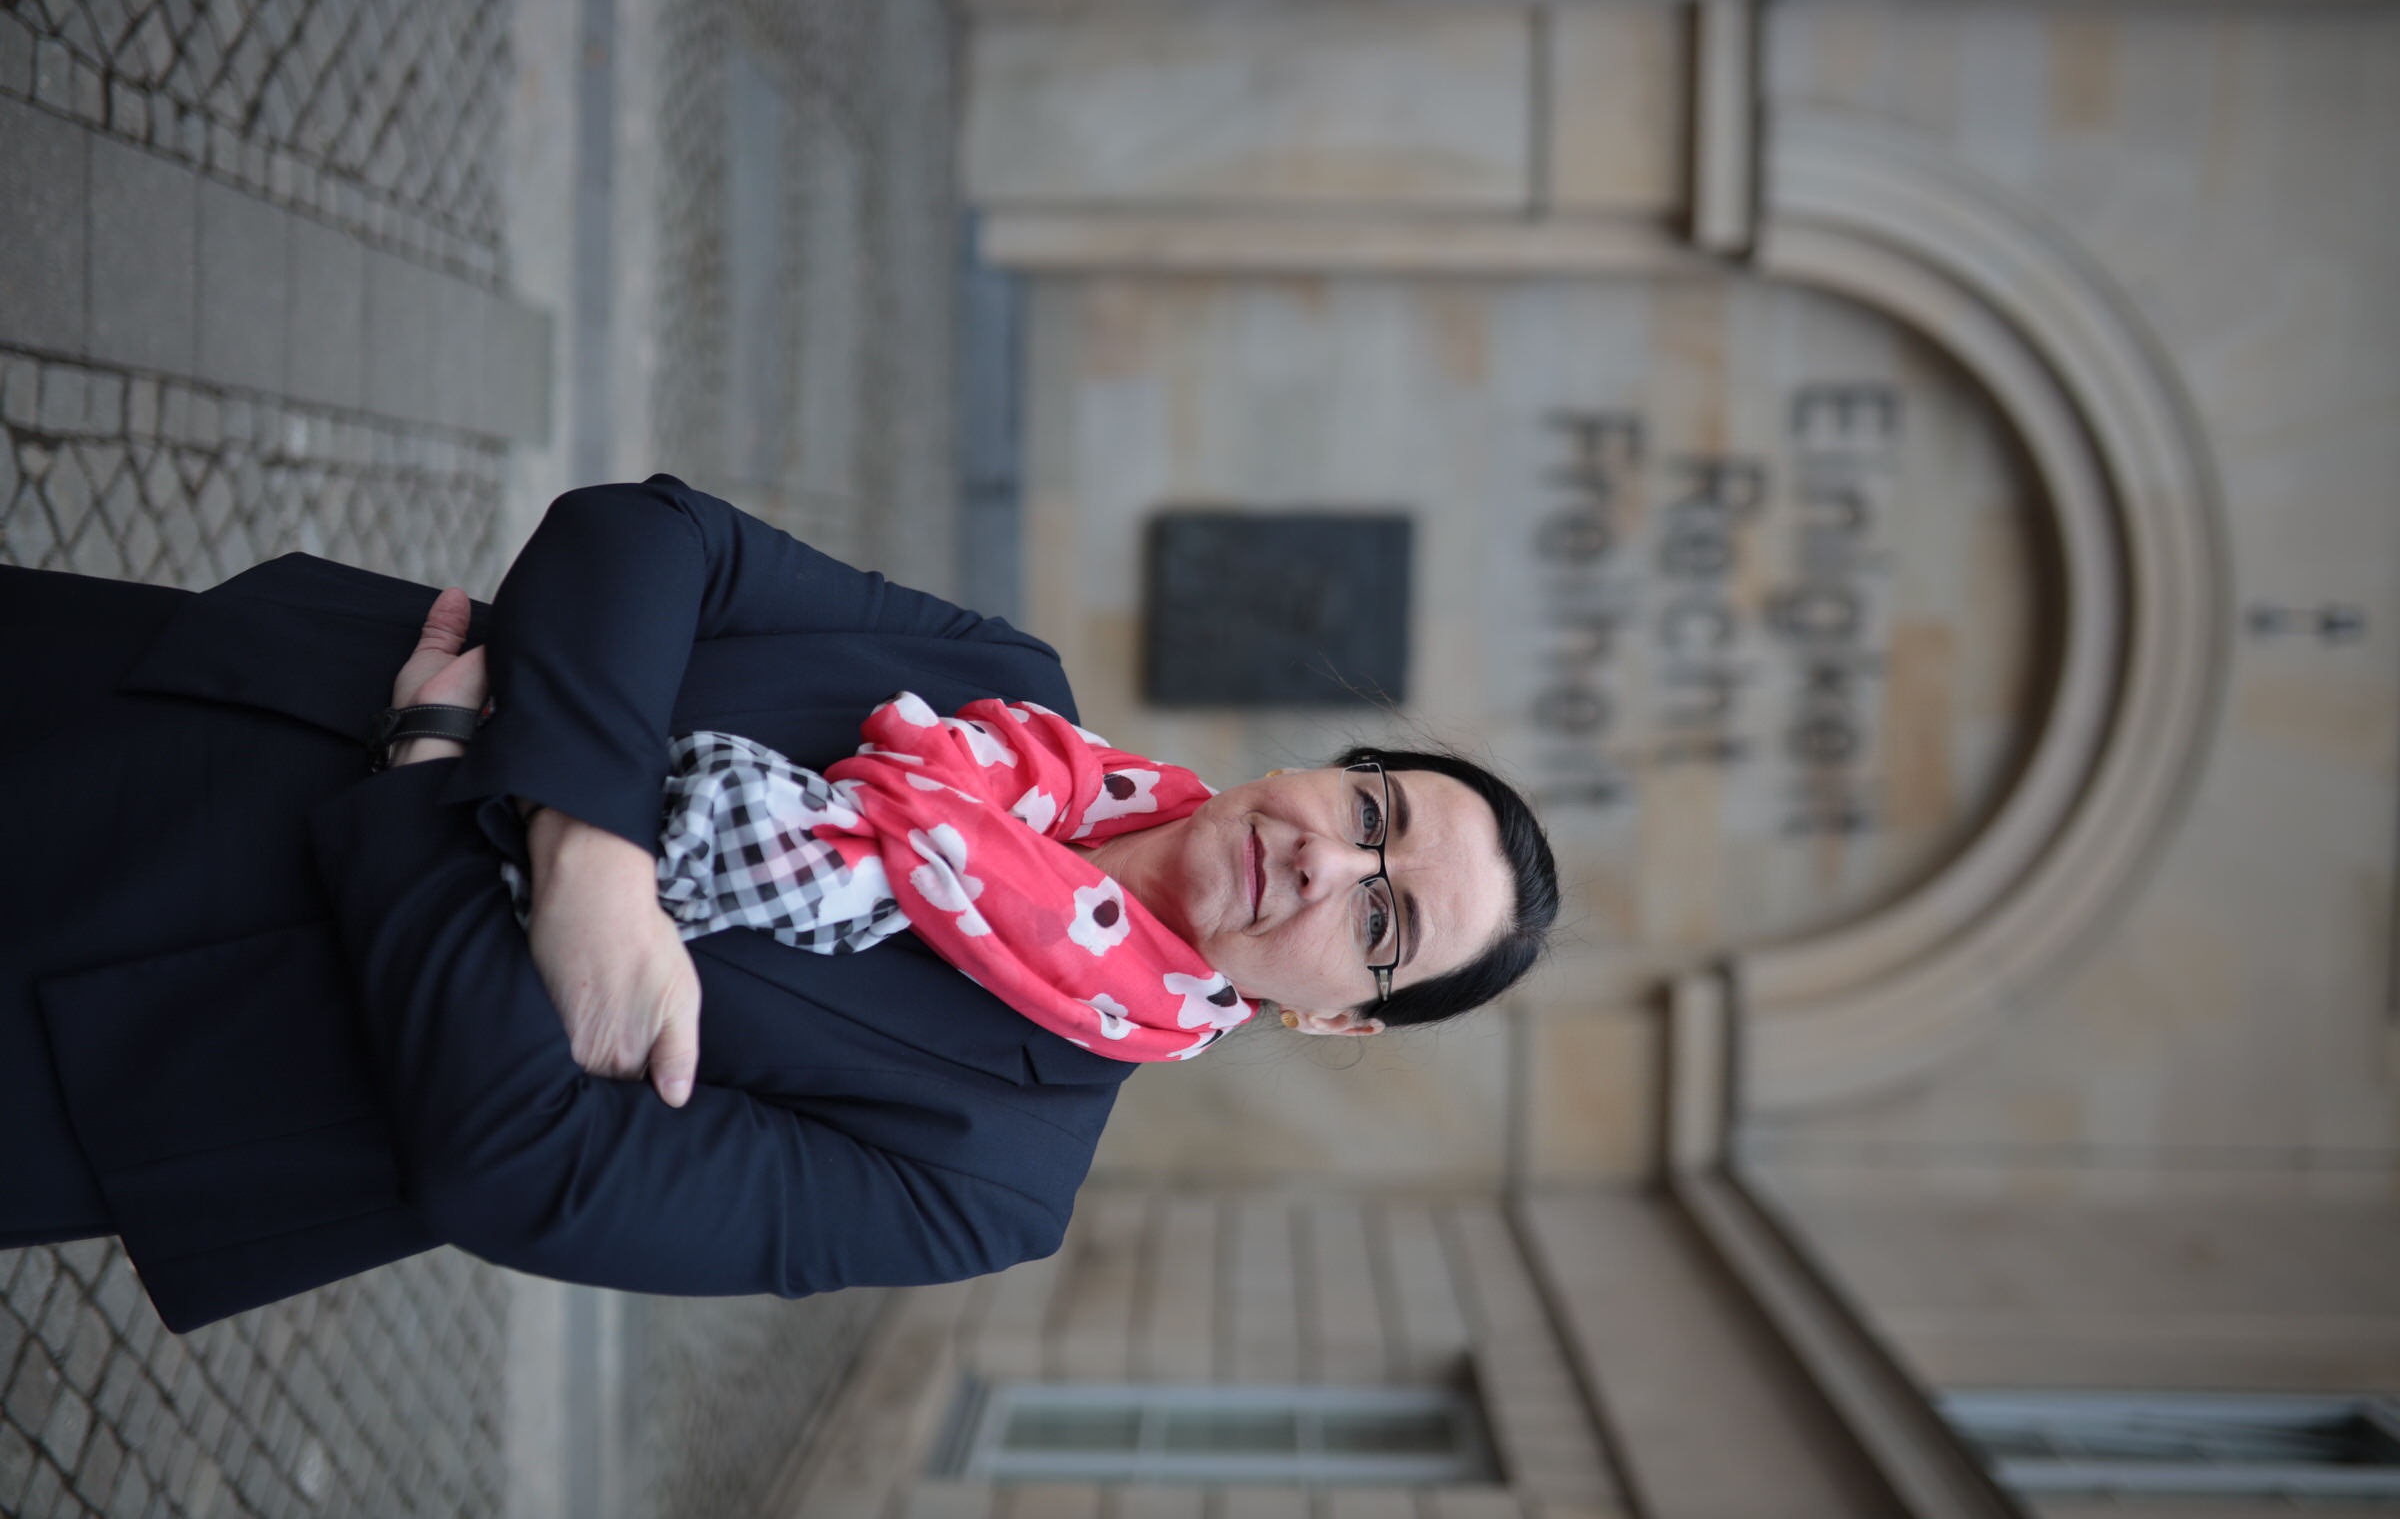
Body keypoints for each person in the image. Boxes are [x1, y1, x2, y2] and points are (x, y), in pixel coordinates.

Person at [1, 474, 1558, 1333]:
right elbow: (649, 536)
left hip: (146, 1038)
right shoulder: (1004, 688)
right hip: (175, 718)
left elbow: (521, 1168)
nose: (1332, 865)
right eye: (1374, 817)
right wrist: (590, 868)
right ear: (1326, 770)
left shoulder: (989, 1174)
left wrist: (437, 781)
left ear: (1330, 1012)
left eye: (1382, 920)